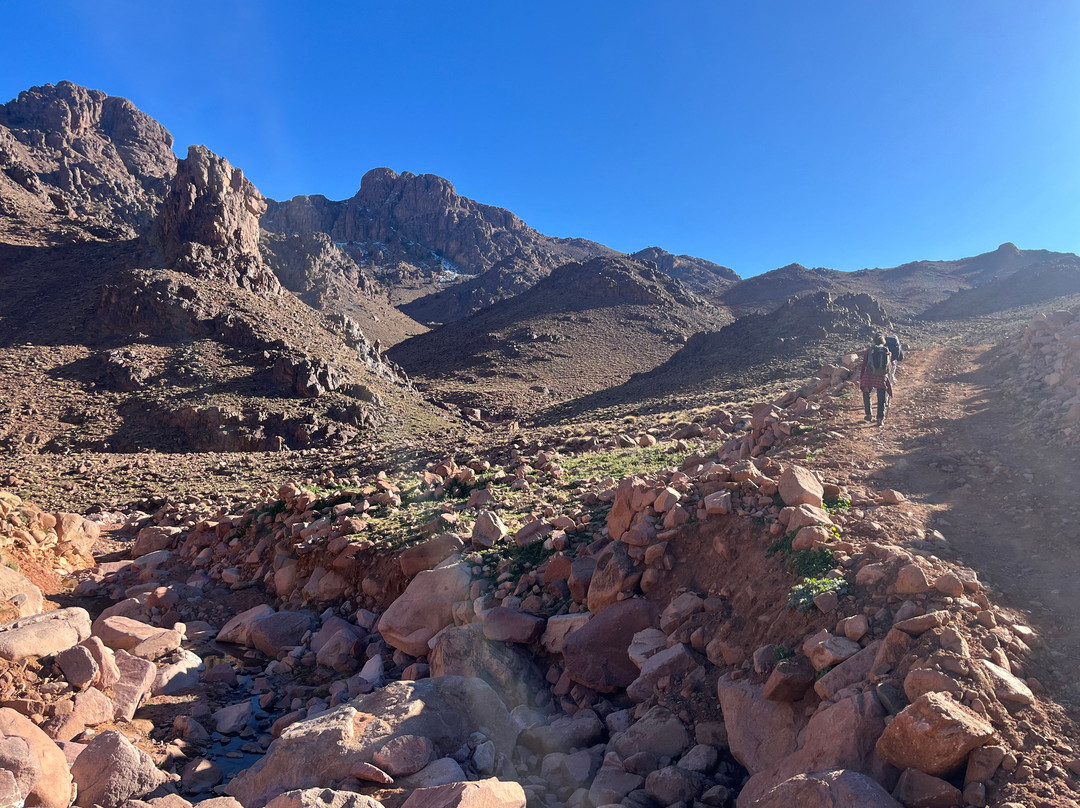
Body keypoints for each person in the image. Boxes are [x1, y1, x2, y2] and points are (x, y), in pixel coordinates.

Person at [859, 333, 893, 427]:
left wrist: (862, 376)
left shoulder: (870, 350)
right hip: (881, 375)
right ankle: (880, 419)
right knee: (881, 397)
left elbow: (864, 364)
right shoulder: (887, 350)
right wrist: (887, 377)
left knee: (867, 393)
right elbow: (889, 365)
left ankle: (869, 414)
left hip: (869, 375)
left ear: (874, 340)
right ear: (883, 341)